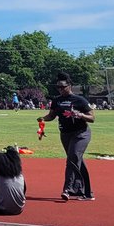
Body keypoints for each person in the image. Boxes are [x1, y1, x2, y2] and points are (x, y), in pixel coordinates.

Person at [38, 72, 95, 201]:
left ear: (70, 86)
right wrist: (42, 119)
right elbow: (51, 116)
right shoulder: (57, 100)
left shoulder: (80, 100)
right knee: (76, 160)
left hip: (81, 133)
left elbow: (92, 118)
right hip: (65, 134)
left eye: (63, 87)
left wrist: (80, 115)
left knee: (72, 159)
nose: (60, 89)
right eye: (58, 87)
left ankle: (67, 189)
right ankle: (84, 191)